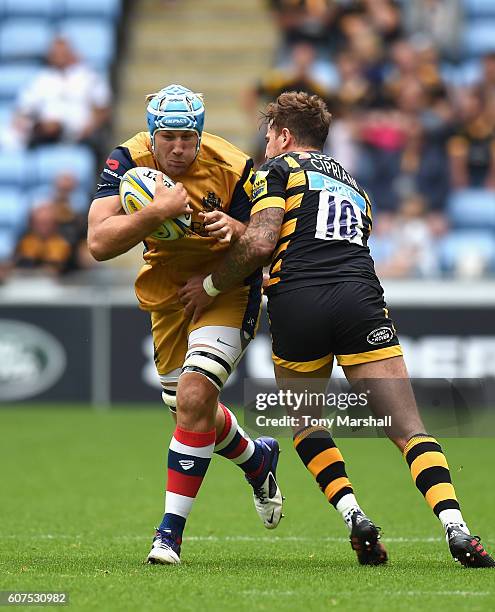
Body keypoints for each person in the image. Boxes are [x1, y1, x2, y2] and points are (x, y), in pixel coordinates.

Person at [180, 91, 495, 568]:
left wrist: (209, 284)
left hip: (299, 301)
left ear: (284, 136)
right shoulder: (354, 185)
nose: (266, 144)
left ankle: (355, 518)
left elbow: (266, 241)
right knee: (409, 429)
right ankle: (457, 528)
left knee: (306, 423)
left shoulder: (276, 171)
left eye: (269, 135)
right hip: (360, 300)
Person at [87, 84, 283, 565]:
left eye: (188, 138)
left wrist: (234, 232)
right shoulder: (126, 160)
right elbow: (98, 241)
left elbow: (265, 238)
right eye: (169, 137)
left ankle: (168, 536)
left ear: (201, 136)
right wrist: (158, 210)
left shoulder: (234, 166)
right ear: (152, 137)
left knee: (196, 396)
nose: (179, 148)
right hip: (170, 292)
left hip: (227, 286)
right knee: (190, 416)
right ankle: (257, 461)